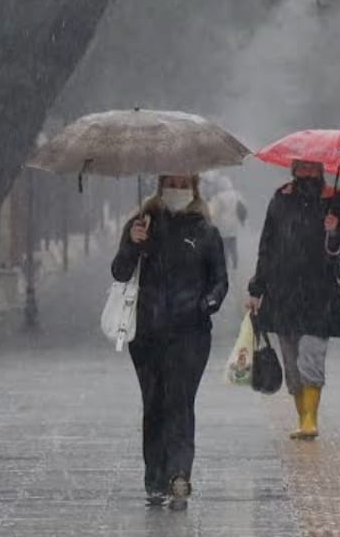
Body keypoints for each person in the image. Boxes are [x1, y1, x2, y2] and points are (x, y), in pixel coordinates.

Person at [111, 174, 228, 510]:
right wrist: (133, 243)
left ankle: (179, 473)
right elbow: (119, 271)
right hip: (147, 333)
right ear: (161, 185)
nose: (177, 188)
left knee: (180, 401)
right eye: (171, 181)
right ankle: (155, 478)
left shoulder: (205, 232)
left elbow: (220, 281)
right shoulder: (142, 224)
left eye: (183, 181)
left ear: (193, 187)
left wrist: (206, 304)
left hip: (190, 335)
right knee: (155, 404)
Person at [245, 159, 340, 440]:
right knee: (292, 364)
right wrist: (256, 289)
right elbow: (267, 248)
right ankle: (301, 417)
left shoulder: (335, 200)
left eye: (313, 168)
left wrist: (335, 231)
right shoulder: (280, 199)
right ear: (293, 169)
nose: (307, 173)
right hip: (283, 293)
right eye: (302, 168)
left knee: (311, 356)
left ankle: (311, 420)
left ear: (321, 171)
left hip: (321, 295)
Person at [208, 176, 248, 270]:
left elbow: (215, 212)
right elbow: (242, 208)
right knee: (233, 246)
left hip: (222, 226)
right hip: (234, 225)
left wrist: (213, 222)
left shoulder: (218, 197)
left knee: (224, 246)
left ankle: (225, 264)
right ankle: (235, 264)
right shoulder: (237, 195)